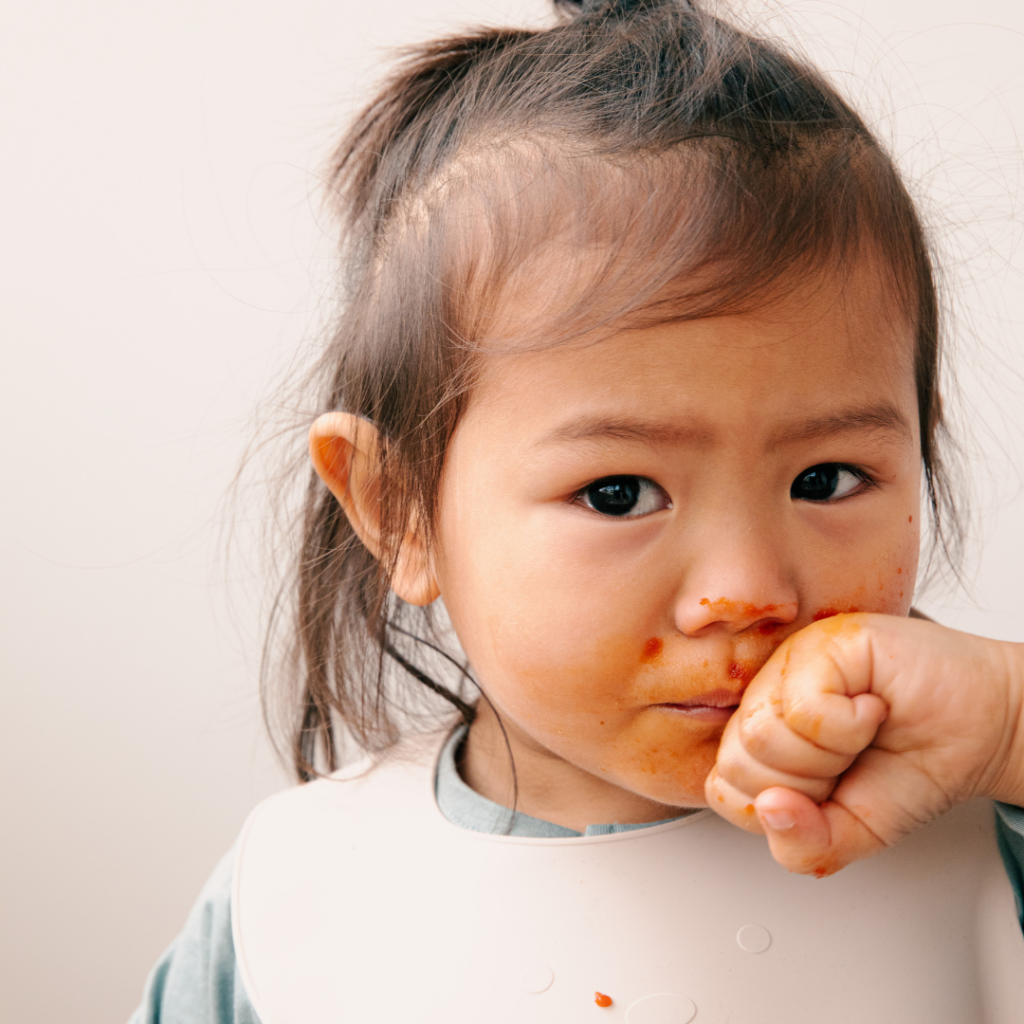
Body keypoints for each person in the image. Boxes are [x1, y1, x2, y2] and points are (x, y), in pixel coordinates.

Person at [129, 0, 1024, 1021]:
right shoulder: (296, 903)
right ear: (398, 511)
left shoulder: (990, 820)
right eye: (617, 493)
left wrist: (1007, 723)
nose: (745, 591)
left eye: (824, 479)